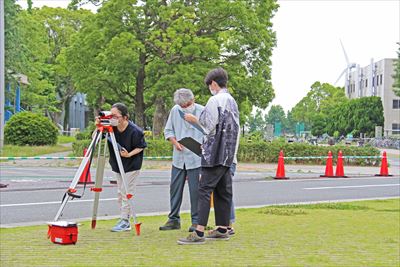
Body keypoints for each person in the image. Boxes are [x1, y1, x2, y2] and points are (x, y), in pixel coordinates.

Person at [177, 67, 240, 245]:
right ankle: (222, 228)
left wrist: (193, 120)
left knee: (204, 190)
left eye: (209, 85)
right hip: (228, 153)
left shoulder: (215, 100)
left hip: (214, 153)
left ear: (213, 83)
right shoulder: (232, 101)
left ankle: (198, 232)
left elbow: (207, 126)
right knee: (223, 192)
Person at [159, 89, 204, 232]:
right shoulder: (175, 110)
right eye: (182, 106)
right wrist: (174, 142)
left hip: (196, 158)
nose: (184, 108)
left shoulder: (203, 111)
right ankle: (173, 219)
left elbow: (209, 131)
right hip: (179, 157)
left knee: (195, 190)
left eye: (187, 105)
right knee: (175, 189)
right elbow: (168, 130)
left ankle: (196, 221)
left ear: (193, 100)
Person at [100, 103, 147, 232]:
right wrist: (99, 127)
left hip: (131, 165)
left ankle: (125, 220)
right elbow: (96, 138)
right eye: (111, 115)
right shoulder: (111, 128)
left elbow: (141, 146)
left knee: (127, 192)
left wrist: (129, 154)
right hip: (117, 164)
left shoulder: (135, 131)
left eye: (115, 116)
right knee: (120, 193)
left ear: (125, 117)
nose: (113, 118)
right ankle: (123, 218)